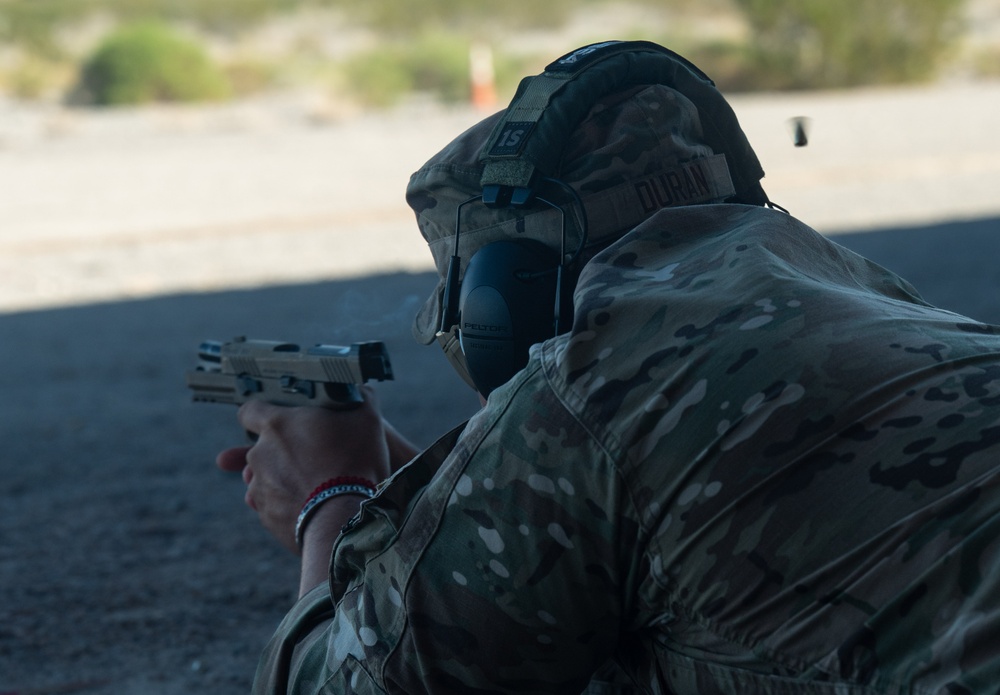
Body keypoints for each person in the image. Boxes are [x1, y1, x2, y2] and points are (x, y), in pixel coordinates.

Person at [216, 40, 1000, 694]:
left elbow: (352, 684)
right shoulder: (890, 301)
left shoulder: (588, 389)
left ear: (500, 302)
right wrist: (430, 501)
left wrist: (331, 494)